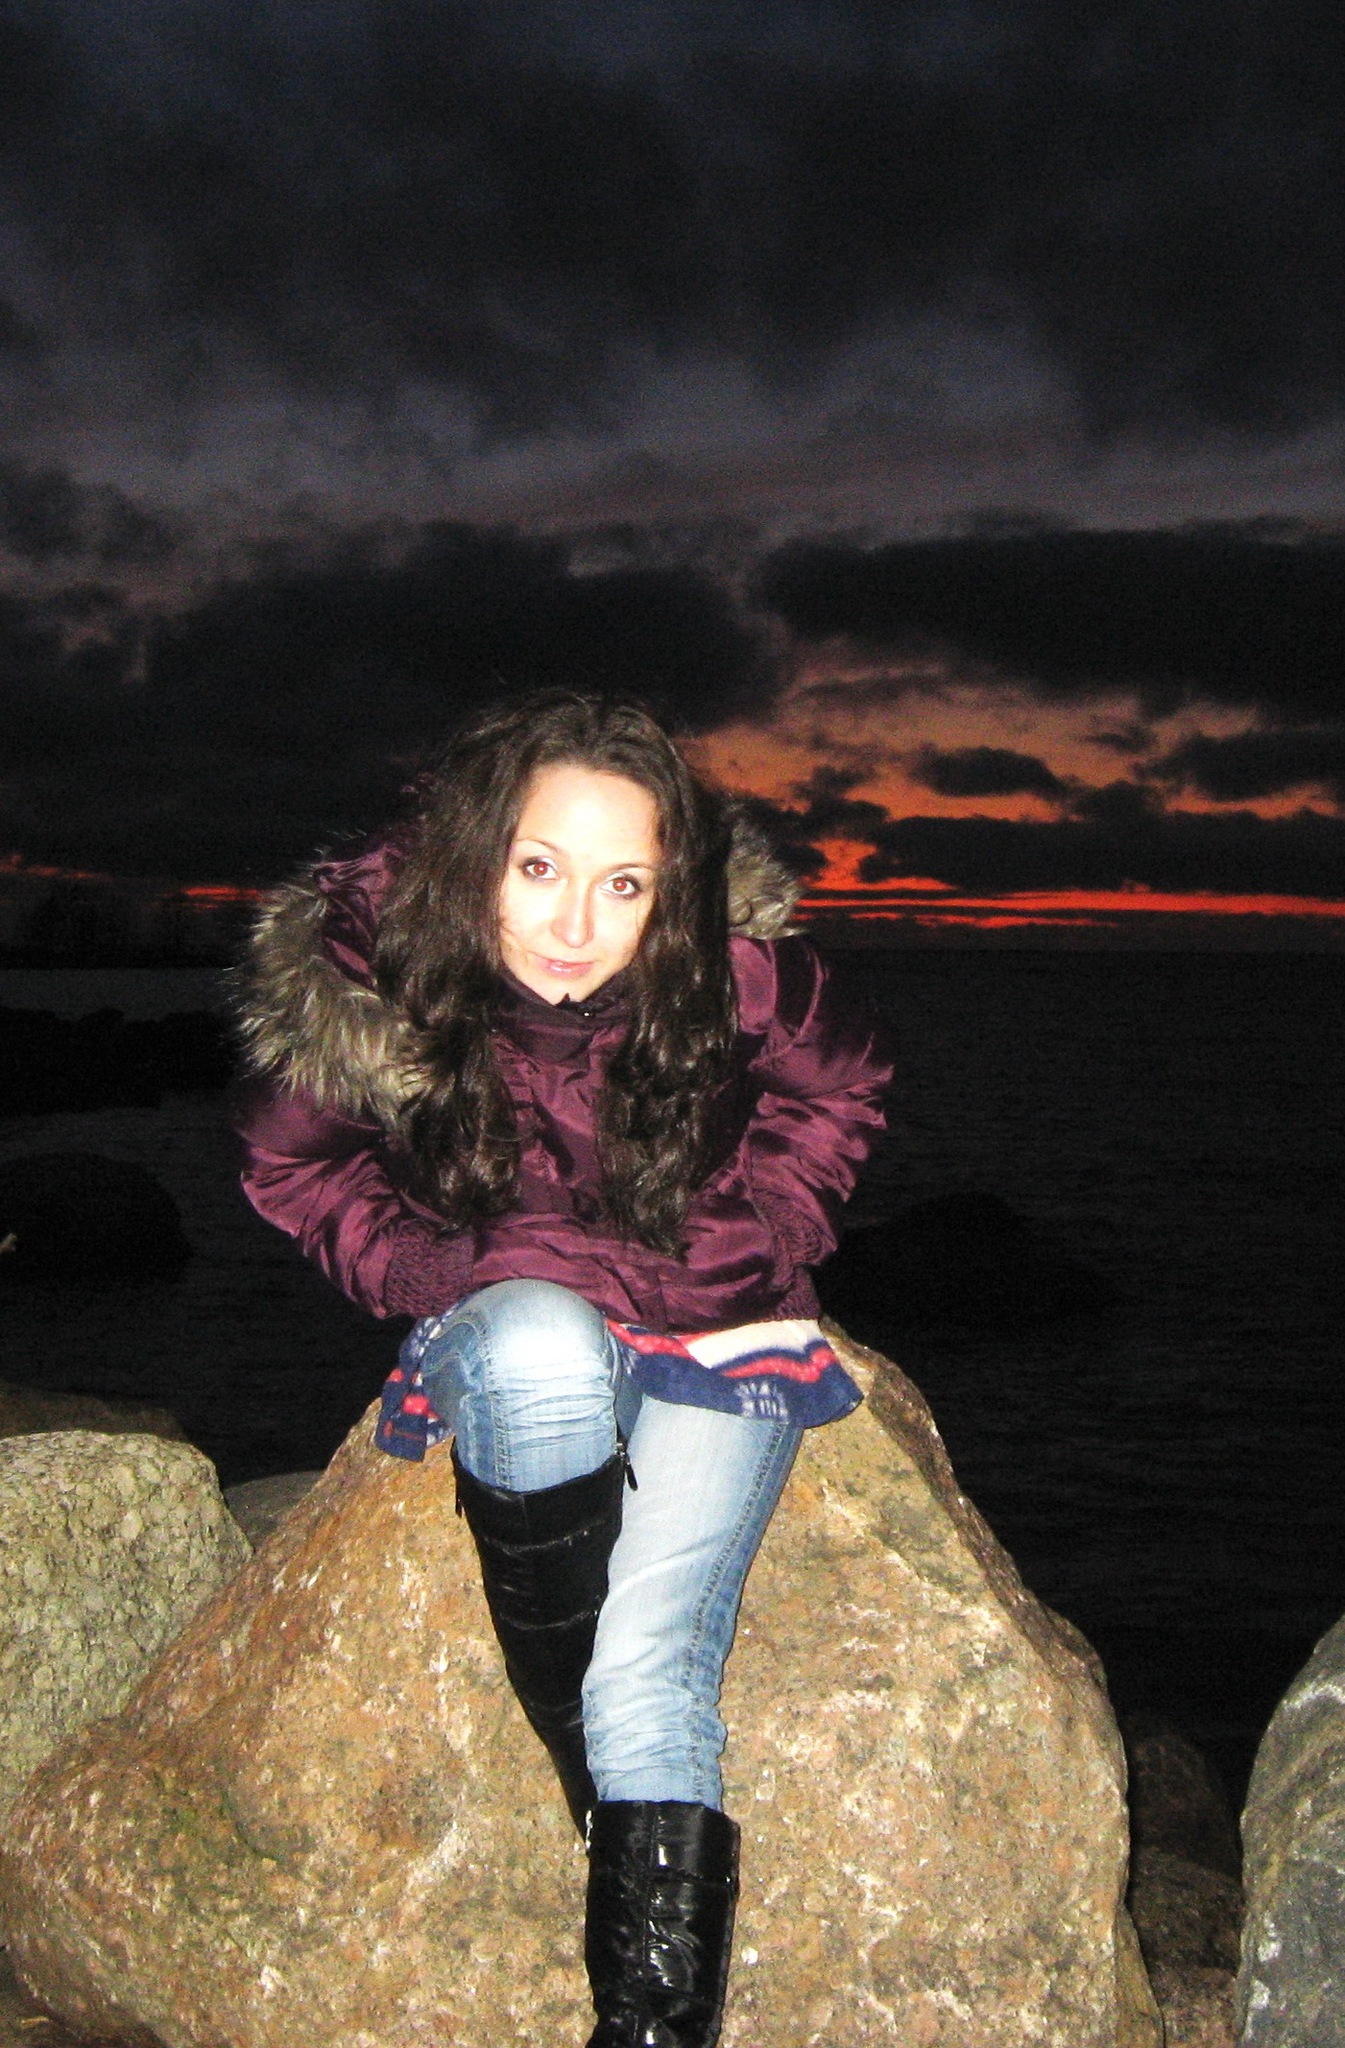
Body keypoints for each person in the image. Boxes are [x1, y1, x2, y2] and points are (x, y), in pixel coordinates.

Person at [234, 690, 891, 2048]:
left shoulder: (734, 975)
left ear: (671, 889)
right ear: (478, 851)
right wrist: (426, 1272)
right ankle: (603, 1783)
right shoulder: (378, 971)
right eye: (539, 869)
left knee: (649, 1667)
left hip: (719, 1325)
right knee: (538, 1342)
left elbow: (841, 1086)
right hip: (517, 1319)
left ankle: (648, 2019)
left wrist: (770, 1225)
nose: (576, 926)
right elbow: (292, 1159)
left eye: (623, 884)